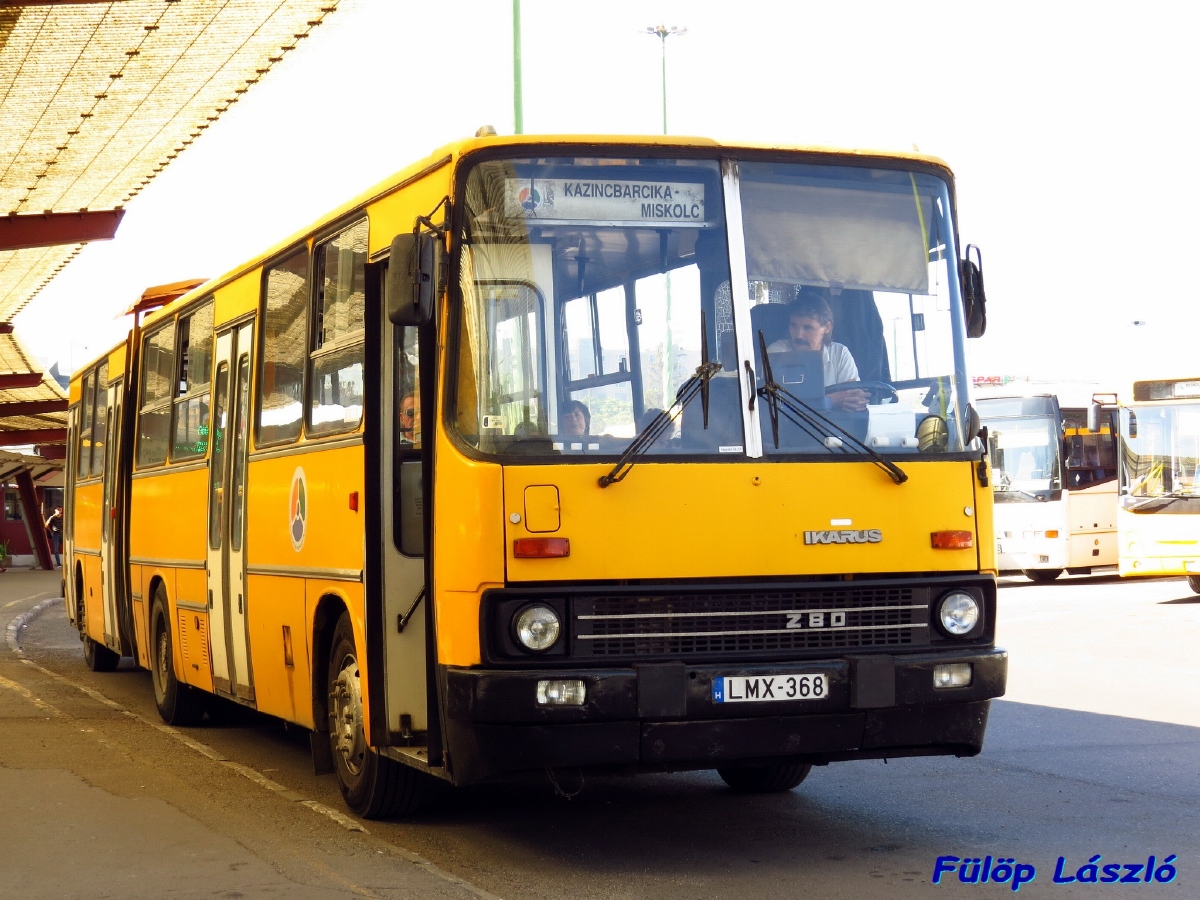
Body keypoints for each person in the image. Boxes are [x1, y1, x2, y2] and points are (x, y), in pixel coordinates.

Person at [767, 287, 869, 412]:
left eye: (808, 328)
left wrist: (856, 401)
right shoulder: (777, 352)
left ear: (827, 327)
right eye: (794, 325)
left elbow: (853, 396)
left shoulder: (840, 354)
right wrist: (830, 400)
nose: (798, 335)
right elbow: (776, 405)